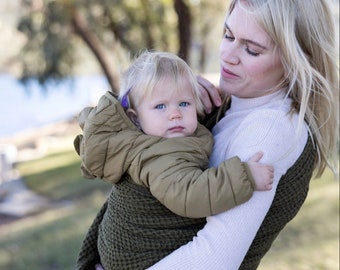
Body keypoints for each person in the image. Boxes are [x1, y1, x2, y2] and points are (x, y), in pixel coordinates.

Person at [147, 0, 339, 269]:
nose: (228, 55)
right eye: (228, 35)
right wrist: (178, 103)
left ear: (295, 61)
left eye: (251, 50)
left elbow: (214, 259)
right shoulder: (231, 107)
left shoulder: (268, 129)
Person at [74, 51, 274, 269]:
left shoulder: (162, 137)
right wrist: (244, 176)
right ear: (135, 118)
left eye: (184, 103)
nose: (175, 114)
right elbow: (189, 194)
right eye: (160, 106)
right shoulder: (156, 156)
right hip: (139, 258)